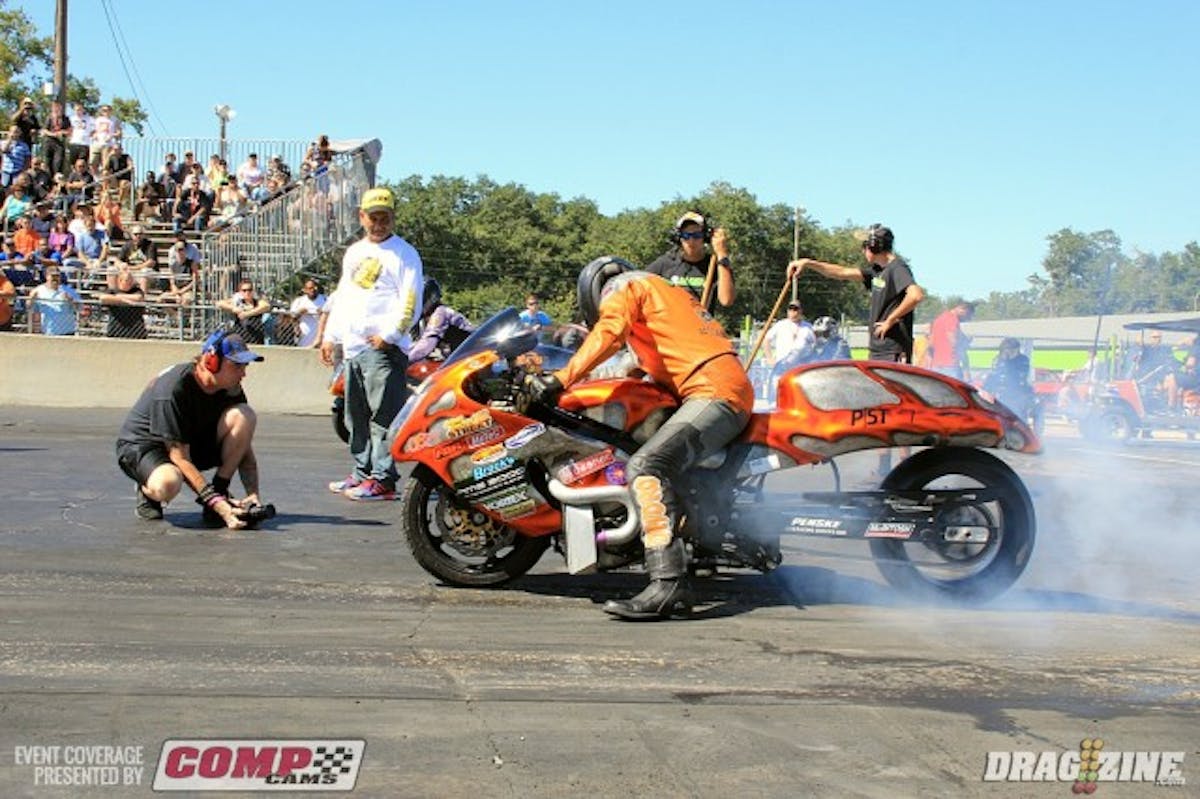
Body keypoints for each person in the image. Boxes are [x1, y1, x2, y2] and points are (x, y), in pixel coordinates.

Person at [525, 256, 754, 620]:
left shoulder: (624, 286)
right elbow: (633, 364)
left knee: (647, 467)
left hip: (714, 392)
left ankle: (669, 582)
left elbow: (609, 334)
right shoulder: (662, 293)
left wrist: (560, 379)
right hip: (717, 386)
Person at [788, 224, 926, 476]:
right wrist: (808, 263)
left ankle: (905, 472)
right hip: (879, 351)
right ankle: (883, 471)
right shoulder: (878, 272)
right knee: (881, 411)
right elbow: (841, 272)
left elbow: (916, 295)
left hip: (893, 350)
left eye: (865, 246)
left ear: (874, 246)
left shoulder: (897, 268)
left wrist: (891, 319)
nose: (863, 251)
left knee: (899, 412)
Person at [319, 187, 423, 502]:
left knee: (383, 417)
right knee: (355, 416)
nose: (379, 224)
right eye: (373, 217)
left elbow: (411, 300)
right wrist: (331, 335)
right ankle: (362, 472)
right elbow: (343, 296)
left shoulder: (404, 253)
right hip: (353, 348)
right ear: (361, 217)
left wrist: (389, 336)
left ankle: (383, 479)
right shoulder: (354, 252)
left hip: (382, 350)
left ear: (393, 218)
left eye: (385, 218)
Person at [115, 327, 266, 528]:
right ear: (211, 361)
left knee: (244, 415)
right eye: (237, 366)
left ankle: (220, 488)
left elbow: (243, 445)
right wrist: (219, 506)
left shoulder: (231, 388)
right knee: (168, 483)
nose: (243, 373)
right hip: (145, 447)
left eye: (244, 366)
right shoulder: (174, 388)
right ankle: (147, 489)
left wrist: (253, 495)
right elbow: (180, 457)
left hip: (188, 441)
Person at [644, 210, 734, 312]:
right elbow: (639, 287)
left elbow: (726, 300)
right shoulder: (665, 263)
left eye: (697, 235)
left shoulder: (715, 265)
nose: (691, 241)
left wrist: (721, 253)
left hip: (701, 322)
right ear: (679, 238)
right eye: (686, 236)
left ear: (705, 237)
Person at [407, 277, 473, 363]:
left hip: (473, 358)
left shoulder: (440, 313)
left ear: (430, 297)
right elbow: (414, 342)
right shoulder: (424, 317)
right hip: (462, 359)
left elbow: (426, 345)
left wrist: (404, 361)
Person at [984, 337, 1035, 419]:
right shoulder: (998, 360)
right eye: (1005, 350)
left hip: (1018, 395)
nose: (1007, 352)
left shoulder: (1023, 360)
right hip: (1001, 394)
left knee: (1019, 416)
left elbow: (1018, 377)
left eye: (1009, 349)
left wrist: (1007, 361)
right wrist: (986, 389)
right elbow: (993, 375)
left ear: (1016, 349)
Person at [927, 301, 975, 380]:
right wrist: (964, 342)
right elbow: (953, 342)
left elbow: (930, 345)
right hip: (950, 365)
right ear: (963, 310)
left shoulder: (939, 319)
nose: (968, 319)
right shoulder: (952, 319)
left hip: (936, 365)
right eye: (968, 315)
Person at [98, 266, 147, 339]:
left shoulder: (136, 290)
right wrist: (124, 301)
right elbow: (103, 298)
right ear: (120, 280)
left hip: (136, 333)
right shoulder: (112, 291)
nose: (130, 283)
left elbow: (138, 298)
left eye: (131, 280)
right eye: (127, 280)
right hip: (115, 332)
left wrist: (116, 298)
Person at [29, 266, 81, 335]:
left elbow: (79, 308)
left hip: (67, 333)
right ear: (47, 276)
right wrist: (31, 299)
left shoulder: (69, 291)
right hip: (47, 332)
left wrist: (70, 300)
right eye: (53, 276)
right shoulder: (38, 291)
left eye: (57, 276)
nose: (55, 278)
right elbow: (30, 308)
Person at [217, 280, 271, 344]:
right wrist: (234, 308)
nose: (247, 292)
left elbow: (266, 306)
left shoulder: (257, 302)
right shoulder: (237, 302)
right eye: (244, 290)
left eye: (249, 290)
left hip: (256, 338)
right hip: (239, 338)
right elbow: (219, 303)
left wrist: (247, 314)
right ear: (240, 292)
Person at [160, 233, 201, 306]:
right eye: (178, 250)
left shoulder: (192, 264)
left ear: (185, 250)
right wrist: (176, 293)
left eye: (182, 249)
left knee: (186, 300)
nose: (180, 252)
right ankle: (173, 313)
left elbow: (195, 280)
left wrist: (182, 291)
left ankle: (181, 313)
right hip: (177, 290)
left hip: (187, 290)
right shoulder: (173, 265)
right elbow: (172, 282)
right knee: (160, 299)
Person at [288, 278, 327, 348]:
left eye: (314, 288)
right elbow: (292, 317)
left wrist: (324, 313)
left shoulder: (325, 299)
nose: (313, 290)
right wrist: (299, 312)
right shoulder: (299, 301)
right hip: (304, 338)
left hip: (321, 338)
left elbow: (334, 315)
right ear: (305, 290)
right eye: (310, 288)